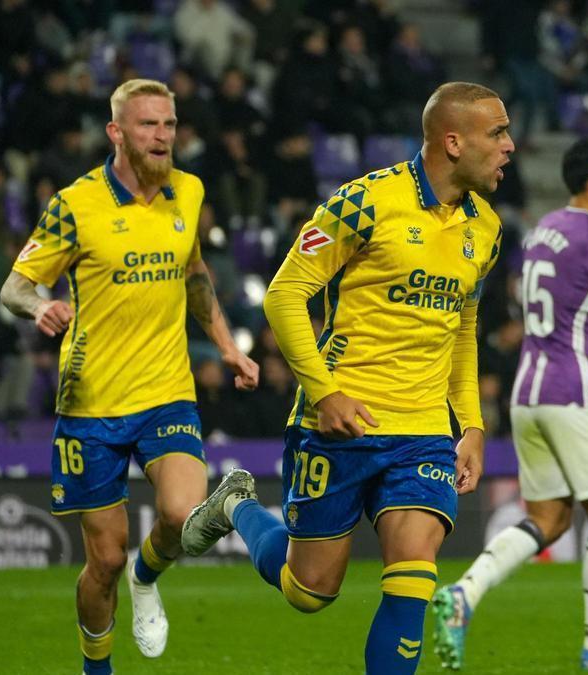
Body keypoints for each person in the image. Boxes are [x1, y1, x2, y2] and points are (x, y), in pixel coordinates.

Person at [181, 81, 513, 675]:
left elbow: (462, 327)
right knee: (309, 591)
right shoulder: (364, 202)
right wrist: (323, 391)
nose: (511, 145)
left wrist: (472, 423)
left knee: (413, 575)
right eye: (498, 132)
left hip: (422, 433)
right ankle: (237, 506)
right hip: (339, 422)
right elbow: (285, 295)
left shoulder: (485, 227)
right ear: (454, 141)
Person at [0, 78, 260, 675]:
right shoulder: (76, 204)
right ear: (117, 132)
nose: (163, 136)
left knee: (181, 515)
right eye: (148, 125)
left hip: (168, 392)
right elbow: (14, 283)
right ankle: (97, 666)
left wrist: (227, 348)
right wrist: (40, 307)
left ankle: (149, 577)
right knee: (104, 562)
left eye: (169, 124)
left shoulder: (188, 192)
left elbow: (194, 274)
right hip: (91, 403)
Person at [431, 137, 588, 671]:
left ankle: (464, 594)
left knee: (548, 519)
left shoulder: (544, 229)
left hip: (530, 391)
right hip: (576, 390)